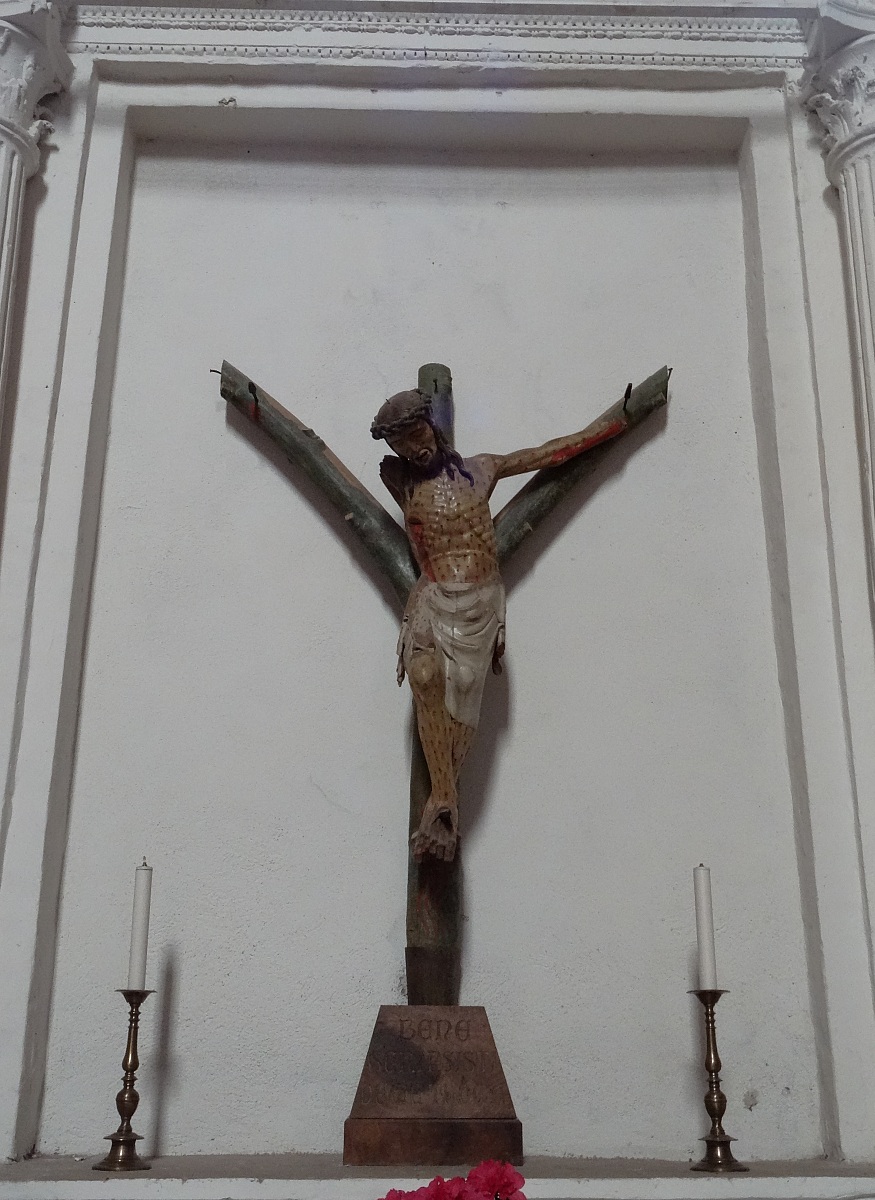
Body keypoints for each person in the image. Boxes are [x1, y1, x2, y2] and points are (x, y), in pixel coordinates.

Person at [371, 386, 630, 863]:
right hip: (431, 595)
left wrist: (607, 428)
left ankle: (443, 801)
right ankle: (445, 801)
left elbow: (545, 454)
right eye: (401, 444)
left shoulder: (481, 470)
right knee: (423, 677)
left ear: (433, 423)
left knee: (465, 692)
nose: (414, 447)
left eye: (418, 433)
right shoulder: (402, 483)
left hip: (479, 602)